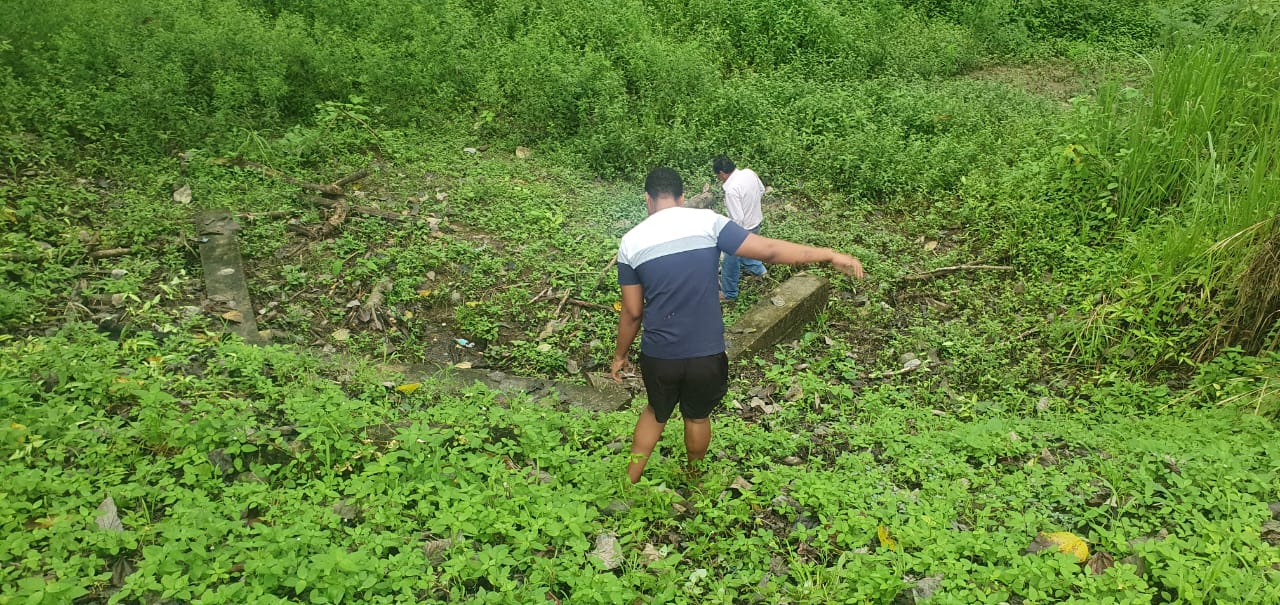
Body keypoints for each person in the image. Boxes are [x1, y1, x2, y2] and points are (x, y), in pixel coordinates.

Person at [611, 167, 864, 484]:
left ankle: (630, 481)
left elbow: (633, 312)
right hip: (706, 352)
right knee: (697, 417)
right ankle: (694, 477)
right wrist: (828, 255)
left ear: (648, 200)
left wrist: (620, 356)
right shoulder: (708, 222)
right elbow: (769, 251)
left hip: (661, 353)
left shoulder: (631, 242)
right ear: (682, 197)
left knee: (655, 412)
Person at [713, 155, 767, 302]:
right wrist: (751, 206)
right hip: (756, 222)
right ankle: (761, 272)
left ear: (722, 174)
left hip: (742, 230)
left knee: (729, 263)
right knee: (748, 253)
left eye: (717, 176)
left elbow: (738, 219)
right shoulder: (749, 173)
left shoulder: (731, 189)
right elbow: (761, 190)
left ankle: (729, 293)